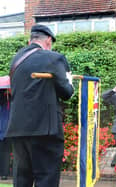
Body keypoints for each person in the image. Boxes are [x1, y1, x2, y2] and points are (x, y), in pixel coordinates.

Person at [5, 24, 74, 187]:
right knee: (46, 178)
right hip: (45, 130)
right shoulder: (54, 58)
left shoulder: (16, 60)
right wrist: (68, 81)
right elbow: (67, 92)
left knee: (22, 179)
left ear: (30, 40)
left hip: (18, 129)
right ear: (49, 40)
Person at [0, 88, 11, 180]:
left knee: (5, 151)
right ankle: (4, 173)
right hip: (5, 128)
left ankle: (4, 173)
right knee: (5, 151)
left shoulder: (8, 100)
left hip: (5, 129)